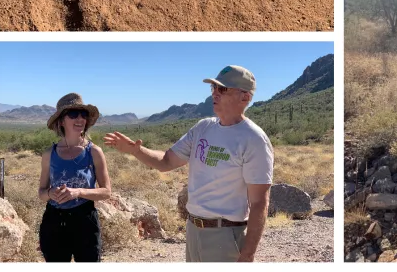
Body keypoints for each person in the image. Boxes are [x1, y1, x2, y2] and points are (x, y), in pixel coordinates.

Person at [104, 65, 273, 263]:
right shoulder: (203, 127)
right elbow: (166, 162)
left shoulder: (254, 139)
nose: (215, 93)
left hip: (226, 235)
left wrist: (248, 254)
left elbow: (259, 202)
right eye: (213, 88)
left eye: (223, 89)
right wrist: (135, 150)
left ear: (245, 97)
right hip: (193, 229)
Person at [38, 94, 112, 263]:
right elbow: (41, 193)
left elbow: (106, 191)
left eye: (83, 114)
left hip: (84, 220)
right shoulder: (49, 153)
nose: (79, 119)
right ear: (61, 121)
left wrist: (78, 192)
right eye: (73, 114)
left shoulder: (94, 152)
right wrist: (51, 193)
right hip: (54, 221)